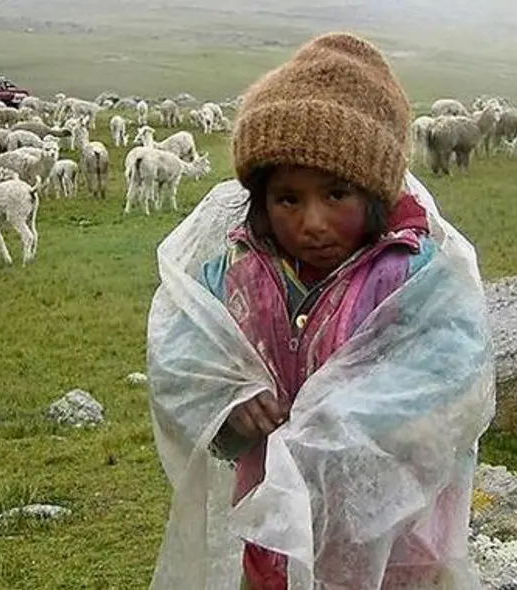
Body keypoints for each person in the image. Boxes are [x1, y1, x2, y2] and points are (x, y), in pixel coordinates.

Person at [147, 32, 495, 590]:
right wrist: (226, 402)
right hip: (273, 529)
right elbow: (184, 346)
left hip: (389, 536)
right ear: (260, 200)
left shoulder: (410, 273)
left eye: (336, 195)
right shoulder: (239, 271)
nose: (312, 222)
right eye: (288, 199)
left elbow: (451, 365)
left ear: (374, 192)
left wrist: (347, 423)